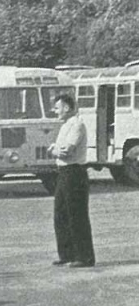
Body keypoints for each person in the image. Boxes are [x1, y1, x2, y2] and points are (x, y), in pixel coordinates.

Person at [47, 94, 95, 268]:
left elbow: (67, 151)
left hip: (74, 172)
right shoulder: (65, 125)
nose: (55, 111)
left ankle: (84, 256)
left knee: (76, 214)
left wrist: (53, 150)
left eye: (57, 108)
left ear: (67, 108)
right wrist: (56, 149)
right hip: (64, 172)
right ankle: (67, 254)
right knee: (61, 214)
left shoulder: (77, 125)